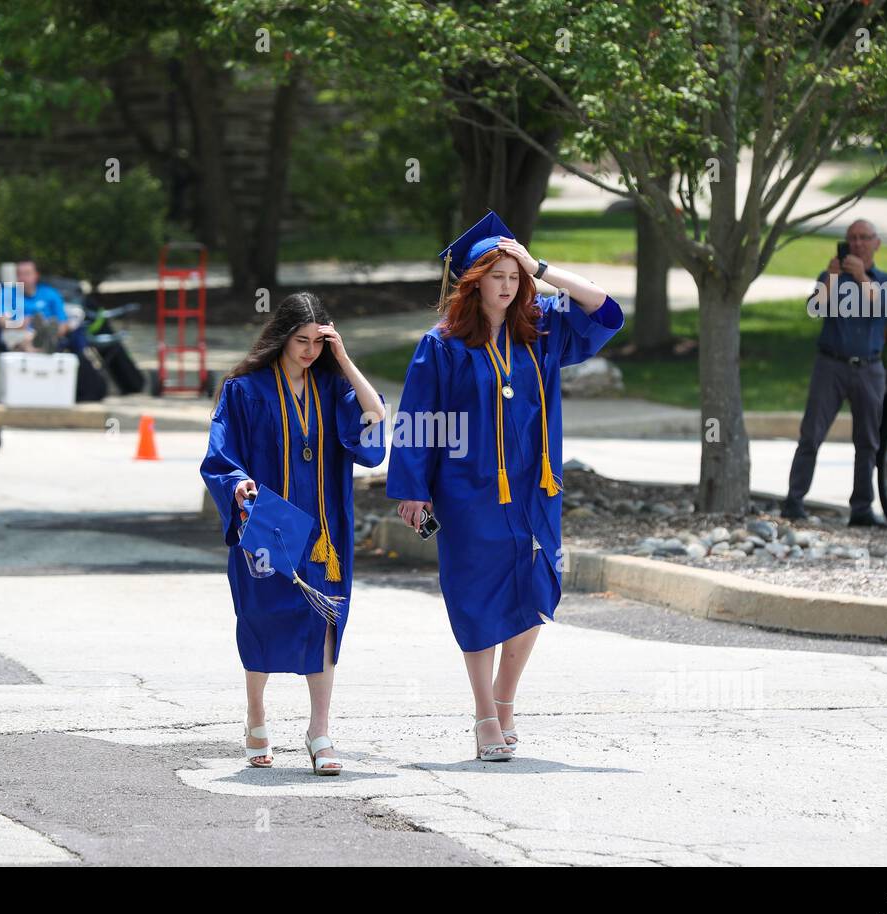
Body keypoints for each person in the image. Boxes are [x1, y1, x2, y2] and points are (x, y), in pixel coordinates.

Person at [386, 211, 624, 761]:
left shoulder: (540, 333)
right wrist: (412, 489)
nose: (509, 286)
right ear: (474, 282)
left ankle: (506, 701)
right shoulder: (442, 345)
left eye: (517, 278)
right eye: (498, 276)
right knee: (476, 597)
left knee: (538, 589)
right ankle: (484, 716)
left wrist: (543, 267)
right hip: (468, 494)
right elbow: (418, 417)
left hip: (534, 490)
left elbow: (606, 309)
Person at [200, 292, 385, 774]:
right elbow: (220, 453)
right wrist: (236, 482)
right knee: (261, 616)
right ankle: (256, 714)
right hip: (267, 520)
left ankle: (319, 731)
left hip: (325, 528)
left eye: (317, 343)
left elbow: (376, 418)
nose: (309, 351)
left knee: (324, 620)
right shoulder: (246, 390)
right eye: (300, 340)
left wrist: (342, 358)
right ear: (282, 337)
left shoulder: (333, 388)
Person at [783, 219, 887, 526]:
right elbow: (816, 310)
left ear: (877, 243)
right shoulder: (830, 277)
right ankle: (793, 502)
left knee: (868, 441)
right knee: (811, 435)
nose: (858, 243)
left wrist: (862, 278)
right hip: (830, 365)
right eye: (852, 238)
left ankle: (862, 509)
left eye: (864, 238)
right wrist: (832, 279)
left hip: (870, 368)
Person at [0, 259, 84, 355]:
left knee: (47, 335)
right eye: (19, 274)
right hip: (18, 333)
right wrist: (20, 324)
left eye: (27, 274)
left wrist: (53, 330)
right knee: (23, 338)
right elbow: (2, 322)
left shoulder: (50, 294)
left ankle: (42, 337)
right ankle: (42, 343)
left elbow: (62, 324)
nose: (22, 278)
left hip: (49, 335)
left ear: (36, 275)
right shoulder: (6, 294)